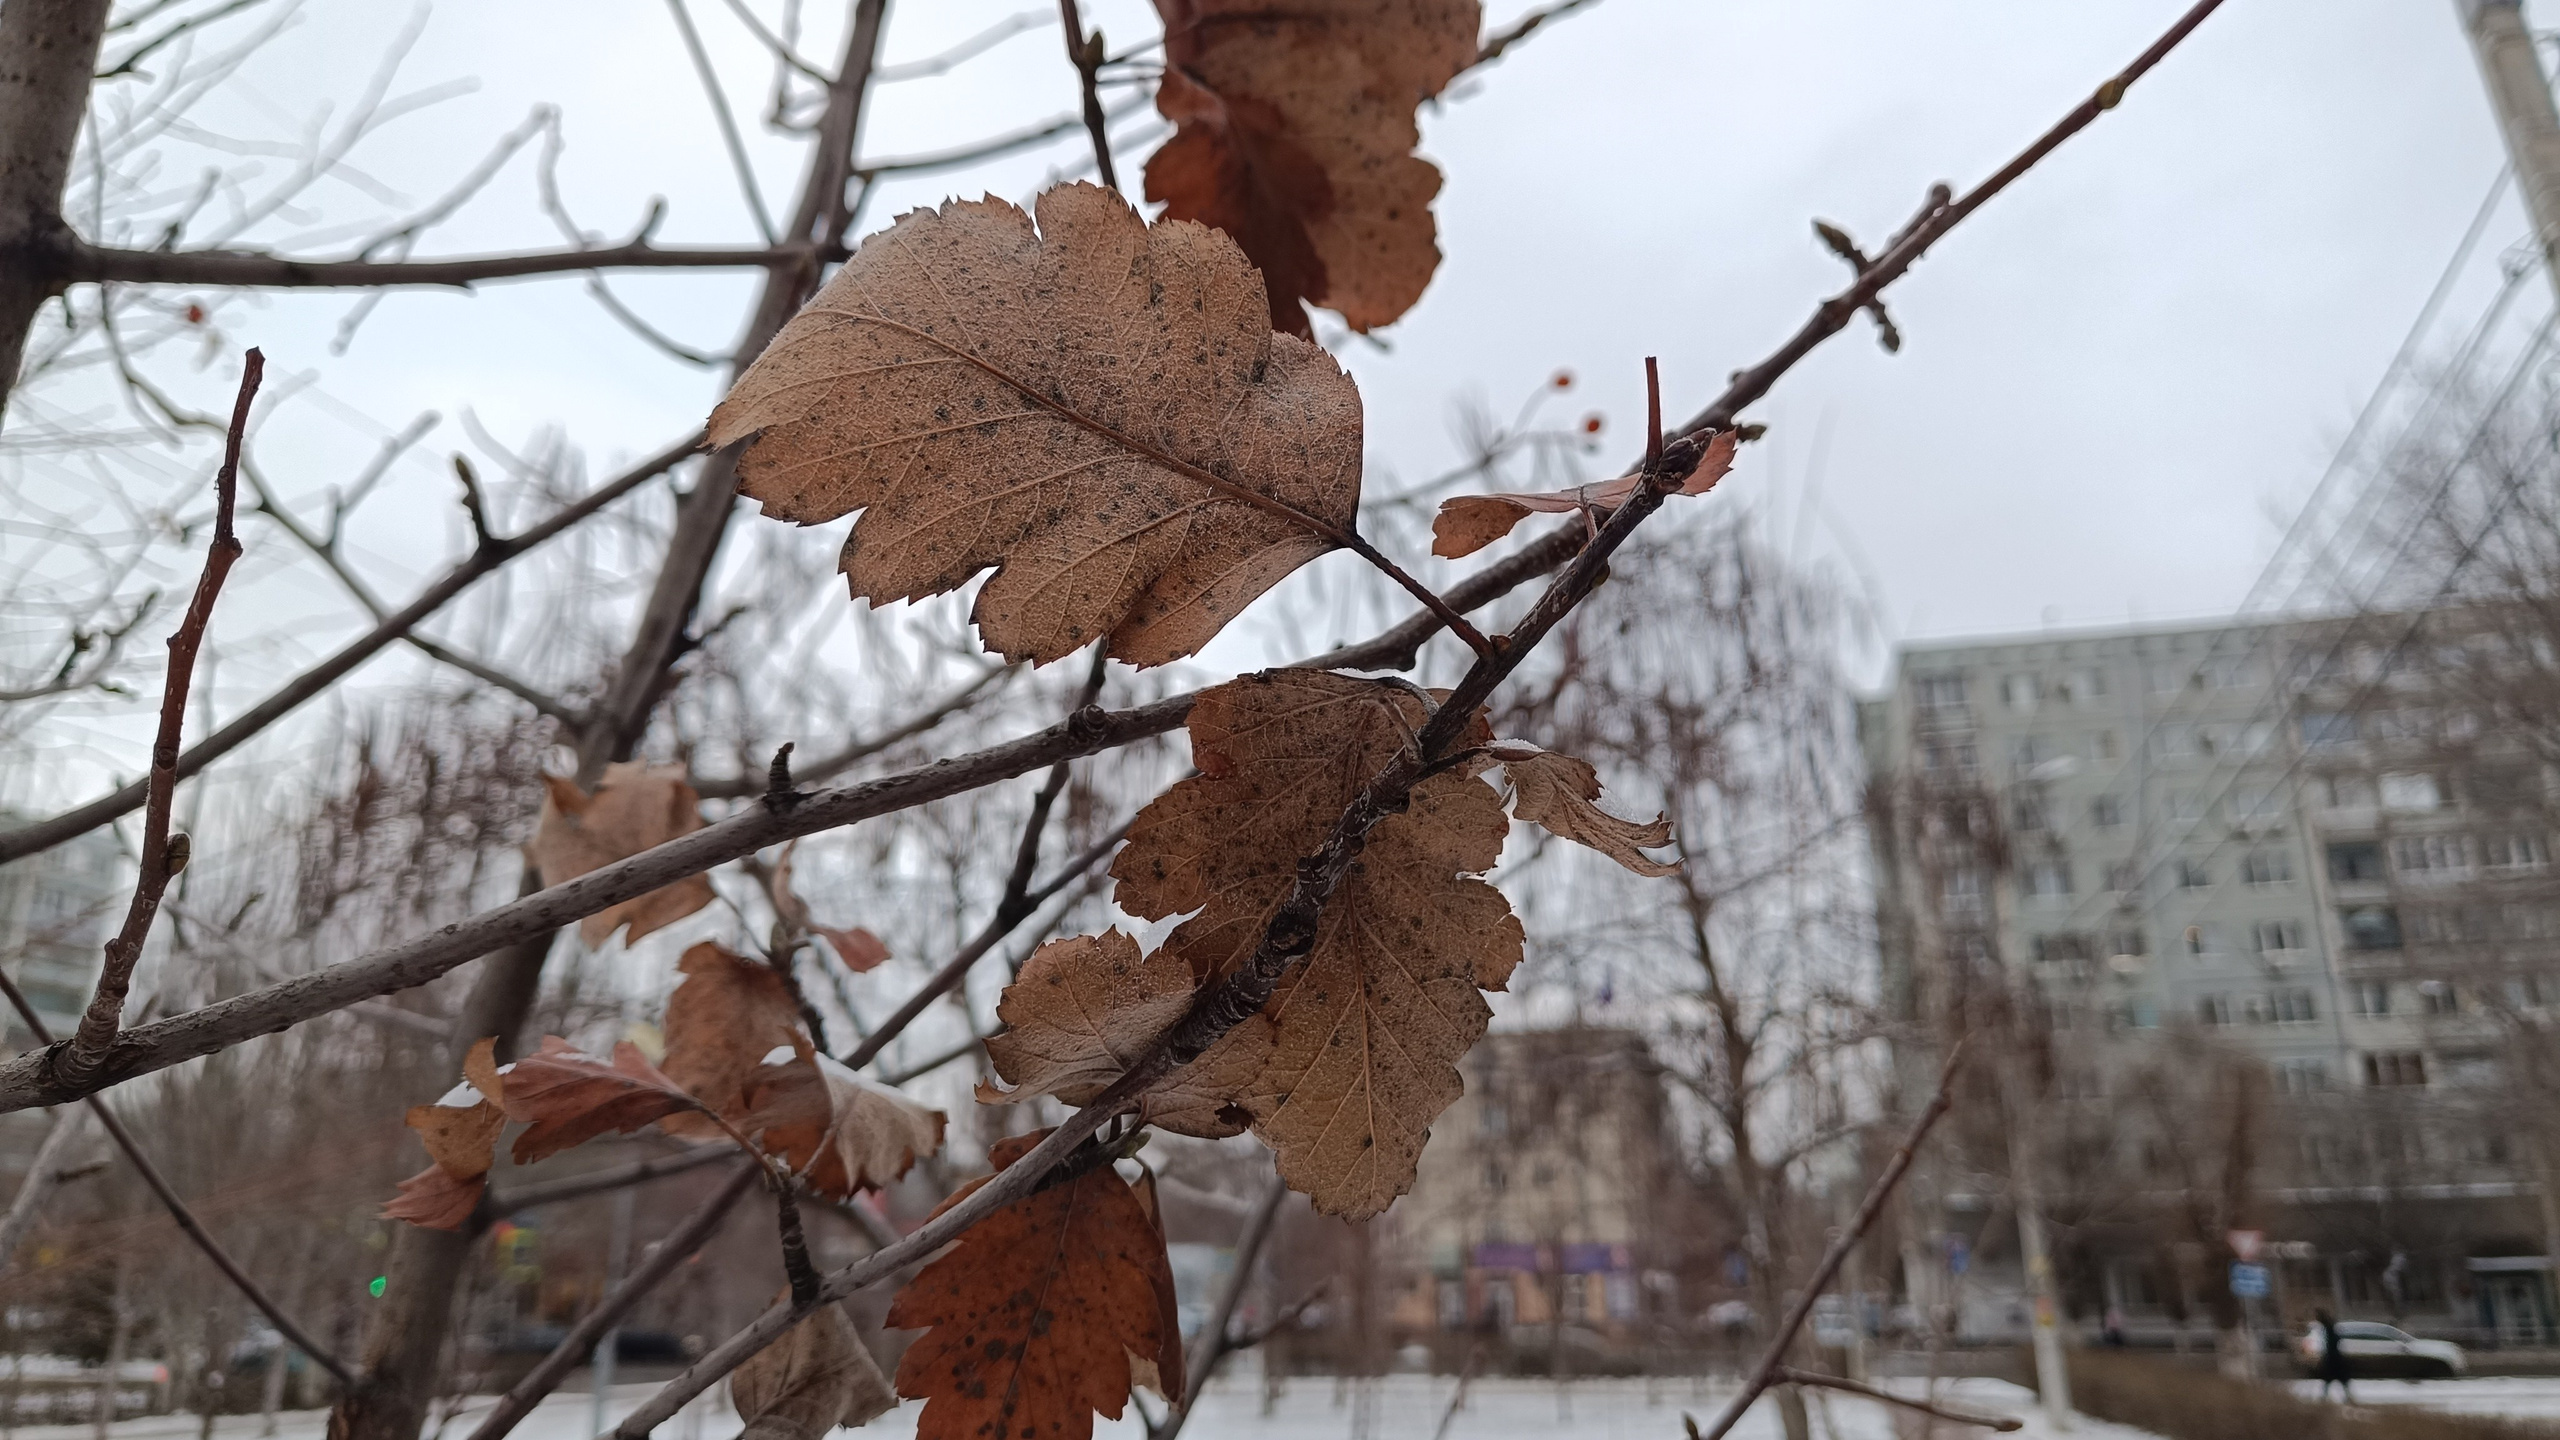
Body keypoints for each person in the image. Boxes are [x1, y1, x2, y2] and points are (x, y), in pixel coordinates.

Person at [2315, 1309, 2354, 1403]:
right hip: (2335, 1357)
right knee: (2339, 1379)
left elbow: (2331, 1343)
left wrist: (2326, 1356)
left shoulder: (2328, 1329)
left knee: (2330, 1378)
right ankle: (2347, 1397)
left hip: (2333, 1358)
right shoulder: (2330, 1328)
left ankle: (2325, 1397)